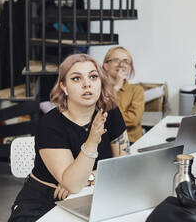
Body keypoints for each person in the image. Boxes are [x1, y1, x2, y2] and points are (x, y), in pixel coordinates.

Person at [8, 54, 130, 222]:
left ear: (100, 83)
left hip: (94, 195)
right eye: (76, 79)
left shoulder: (111, 112)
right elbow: (72, 184)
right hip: (43, 203)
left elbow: (124, 164)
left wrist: (89, 179)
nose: (87, 84)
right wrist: (92, 141)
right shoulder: (49, 125)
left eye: (93, 77)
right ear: (64, 87)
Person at [103, 46, 145, 144]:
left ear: (130, 67)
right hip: (106, 144)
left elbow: (133, 120)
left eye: (126, 61)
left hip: (132, 143)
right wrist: (115, 88)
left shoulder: (137, 90)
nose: (121, 64)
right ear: (106, 65)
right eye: (116, 60)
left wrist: (109, 119)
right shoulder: (98, 89)